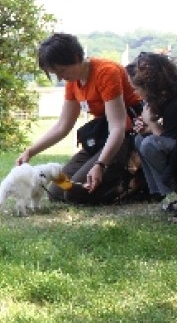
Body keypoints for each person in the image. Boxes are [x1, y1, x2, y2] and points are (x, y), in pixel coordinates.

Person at [16, 33, 143, 204]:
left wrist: (100, 165)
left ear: (76, 58)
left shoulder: (106, 72)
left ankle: (131, 184)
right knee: (58, 191)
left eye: (62, 71)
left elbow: (118, 127)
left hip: (126, 136)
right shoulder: (73, 81)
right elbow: (63, 126)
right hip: (101, 136)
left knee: (75, 195)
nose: (60, 77)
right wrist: (30, 151)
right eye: (55, 73)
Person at [125, 52, 177, 218]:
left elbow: (176, 151)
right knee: (142, 139)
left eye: (137, 89)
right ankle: (175, 194)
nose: (136, 93)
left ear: (150, 86)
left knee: (150, 144)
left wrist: (151, 123)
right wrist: (147, 128)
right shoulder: (172, 97)